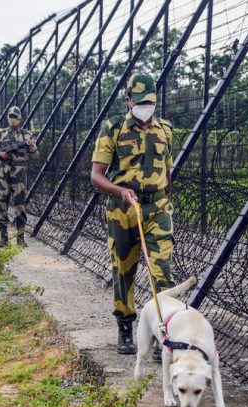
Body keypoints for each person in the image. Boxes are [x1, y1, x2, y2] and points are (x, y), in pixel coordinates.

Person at [90, 73, 176, 355]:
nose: (144, 107)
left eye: (149, 102)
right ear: (128, 100)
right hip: (123, 210)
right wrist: (120, 191)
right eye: (139, 102)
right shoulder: (113, 128)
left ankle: (163, 333)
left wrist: (164, 197)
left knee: (161, 271)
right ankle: (125, 326)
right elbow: (96, 176)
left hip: (157, 209)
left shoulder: (165, 129)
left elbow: (167, 170)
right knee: (124, 270)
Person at [0, 106, 37, 247]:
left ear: (20, 119)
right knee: (1, 206)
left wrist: (30, 146)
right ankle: (3, 238)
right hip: (3, 175)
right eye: (11, 116)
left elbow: (35, 154)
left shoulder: (26, 135)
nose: (13, 119)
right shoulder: (0, 134)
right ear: (7, 118)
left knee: (20, 207)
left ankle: (20, 238)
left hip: (19, 177)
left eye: (15, 117)